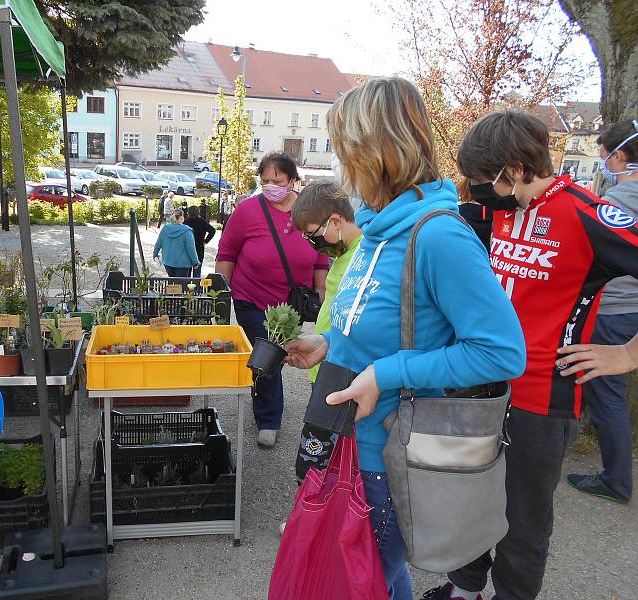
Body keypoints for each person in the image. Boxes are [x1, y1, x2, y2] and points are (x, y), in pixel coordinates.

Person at [284, 78, 526, 600]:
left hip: (390, 457)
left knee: (374, 575)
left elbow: (502, 351)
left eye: (345, 149)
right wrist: (331, 344)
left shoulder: (439, 234)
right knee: (377, 578)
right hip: (350, 443)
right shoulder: (375, 230)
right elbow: (386, 325)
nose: (341, 166)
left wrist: (387, 374)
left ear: (377, 152)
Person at [424, 110, 638, 600]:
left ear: (515, 168)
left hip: (542, 398)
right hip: (477, 386)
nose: (479, 189)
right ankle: (463, 588)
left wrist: (624, 355)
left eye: (485, 179)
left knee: (522, 521)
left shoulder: (587, 214)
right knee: (470, 497)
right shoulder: (494, 210)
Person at [216, 151, 329, 448]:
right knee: (267, 352)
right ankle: (268, 418)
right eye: (265, 181)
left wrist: (320, 292)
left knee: (278, 353)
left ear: (293, 180)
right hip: (250, 297)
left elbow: (321, 258)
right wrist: (219, 291)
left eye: (277, 181)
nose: (270, 187)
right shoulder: (247, 211)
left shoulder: (310, 212)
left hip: (290, 305)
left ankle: (265, 397)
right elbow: (227, 252)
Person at [564, 119, 638, 504]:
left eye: (605, 155)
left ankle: (616, 480)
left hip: (613, 311)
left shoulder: (618, 204)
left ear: (620, 156)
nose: (603, 161)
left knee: (605, 393)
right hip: (631, 310)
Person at [290, 180, 362, 481]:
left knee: (317, 458)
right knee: (319, 457)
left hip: (339, 371)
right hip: (324, 364)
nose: (313, 244)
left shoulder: (362, 257)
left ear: (335, 220)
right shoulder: (345, 253)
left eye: (313, 235)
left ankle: (314, 519)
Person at [153, 209, 200, 278]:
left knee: (172, 284)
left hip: (168, 262)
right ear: (181, 218)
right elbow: (191, 249)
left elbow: (158, 243)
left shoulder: (165, 228)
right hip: (183, 264)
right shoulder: (187, 231)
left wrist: (155, 254)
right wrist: (195, 262)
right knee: (181, 285)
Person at [183, 205, 216, 279]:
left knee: (187, 273)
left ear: (188, 212)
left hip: (187, 248)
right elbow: (212, 230)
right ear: (198, 212)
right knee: (197, 272)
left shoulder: (185, 222)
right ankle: (196, 288)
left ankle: (186, 288)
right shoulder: (202, 222)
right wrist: (205, 241)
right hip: (199, 247)